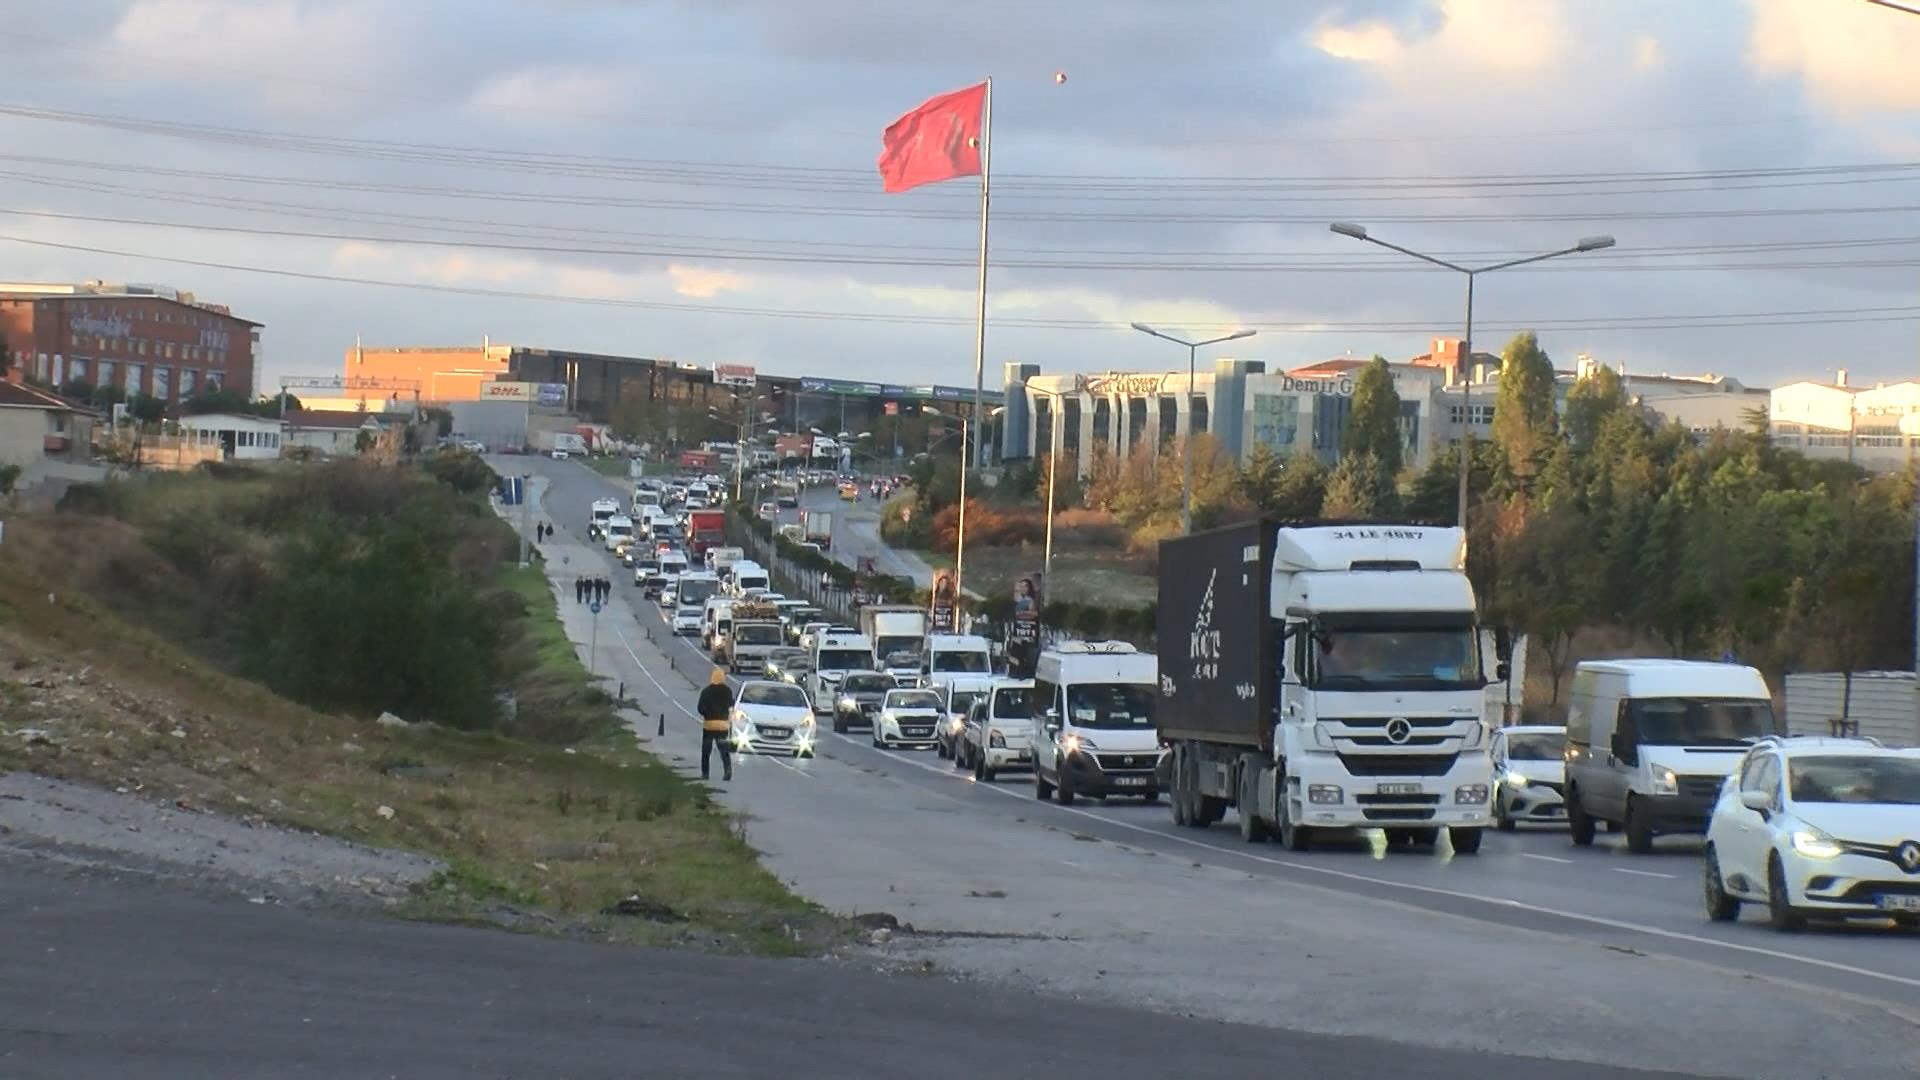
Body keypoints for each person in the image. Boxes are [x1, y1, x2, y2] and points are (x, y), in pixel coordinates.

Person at [696, 669, 735, 781]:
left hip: (709, 725)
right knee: (724, 750)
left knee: (706, 751)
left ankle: (705, 773)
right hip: (723, 726)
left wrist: (707, 713)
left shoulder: (706, 691)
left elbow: (700, 708)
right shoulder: (727, 691)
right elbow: (731, 704)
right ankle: (727, 770)